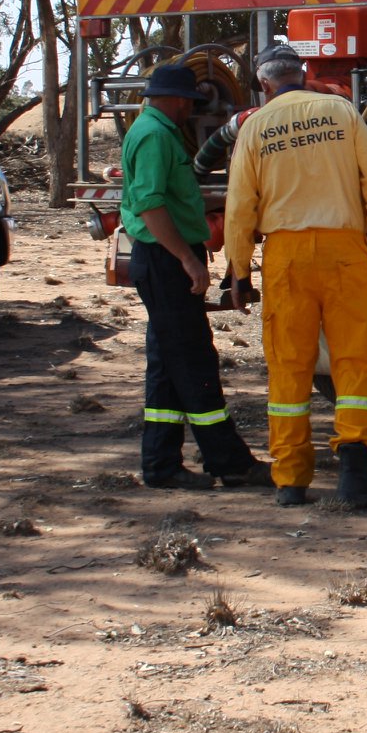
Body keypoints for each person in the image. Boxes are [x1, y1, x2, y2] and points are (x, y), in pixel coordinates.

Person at [224, 45, 367, 509]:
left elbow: (240, 209)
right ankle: (355, 477)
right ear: (303, 74)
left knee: (289, 366)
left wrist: (239, 272)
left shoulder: (255, 126)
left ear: (264, 85)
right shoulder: (342, 111)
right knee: (356, 360)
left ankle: (291, 481)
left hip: (286, 256)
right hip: (346, 249)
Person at [119, 63, 268, 491]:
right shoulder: (153, 136)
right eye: (190, 102)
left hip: (161, 256)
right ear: (178, 99)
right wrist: (187, 258)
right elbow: (149, 204)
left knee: (167, 365)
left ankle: (161, 465)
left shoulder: (154, 132)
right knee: (193, 360)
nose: (192, 111)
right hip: (165, 260)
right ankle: (230, 461)